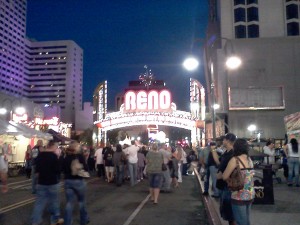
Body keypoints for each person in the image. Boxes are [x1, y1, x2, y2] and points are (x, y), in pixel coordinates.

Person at [221, 138, 255, 225]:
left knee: (241, 221)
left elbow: (224, 176)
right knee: (246, 220)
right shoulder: (249, 159)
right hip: (250, 194)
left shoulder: (235, 160)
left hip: (238, 195)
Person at [31, 140, 63, 225]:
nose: (57, 148)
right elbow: (58, 171)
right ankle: (55, 220)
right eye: (56, 146)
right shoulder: (54, 156)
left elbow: (36, 170)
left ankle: (35, 221)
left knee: (39, 203)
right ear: (53, 146)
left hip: (41, 182)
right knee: (54, 202)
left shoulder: (40, 156)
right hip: (52, 182)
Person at [62, 141, 90, 225]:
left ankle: (67, 222)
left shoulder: (66, 157)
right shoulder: (79, 157)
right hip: (78, 181)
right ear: (75, 148)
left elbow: (63, 169)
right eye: (78, 146)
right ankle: (84, 220)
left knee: (69, 202)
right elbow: (86, 168)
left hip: (68, 181)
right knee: (81, 201)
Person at [216, 133, 237, 225]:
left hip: (228, 185)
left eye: (224, 139)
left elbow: (231, 170)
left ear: (228, 141)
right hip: (222, 184)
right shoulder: (226, 152)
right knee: (226, 210)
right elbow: (220, 163)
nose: (223, 141)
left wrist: (222, 175)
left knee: (230, 212)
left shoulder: (233, 154)